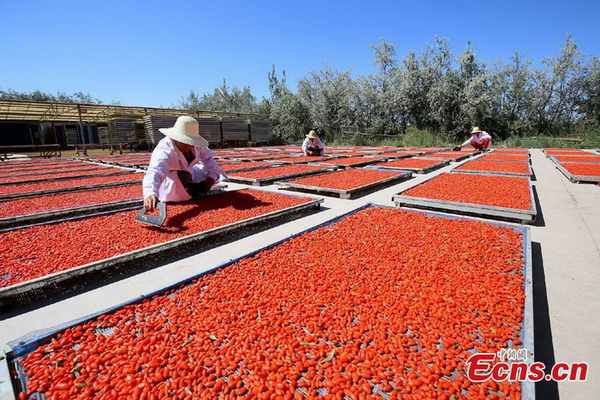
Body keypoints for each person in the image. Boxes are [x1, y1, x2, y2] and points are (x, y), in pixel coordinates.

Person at [143, 116, 226, 211]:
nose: (190, 145)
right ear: (177, 138)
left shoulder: (195, 144)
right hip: (171, 178)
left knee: (214, 172)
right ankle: (185, 191)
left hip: (191, 172)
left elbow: (209, 160)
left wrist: (211, 178)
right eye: (186, 141)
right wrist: (150, 193)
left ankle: (193, 188)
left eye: (191, 142)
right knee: (183, 175)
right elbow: (155, 171)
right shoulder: (164, 151)